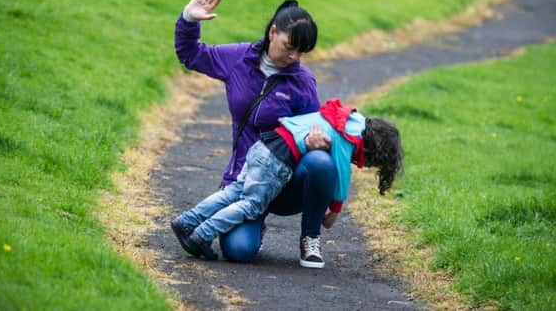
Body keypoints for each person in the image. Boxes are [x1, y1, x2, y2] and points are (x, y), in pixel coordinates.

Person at [171, 0, 334, 265]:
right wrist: (189, 19)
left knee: (320, 162)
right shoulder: (238, 59)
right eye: (289, 47)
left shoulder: (302, 81)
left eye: (302, 52)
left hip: (284, 182)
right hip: (244, 180)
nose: (294, 57)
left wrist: (332, 197)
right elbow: (190, 55)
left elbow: (313, 130)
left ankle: (310, 238)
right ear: (273, 33)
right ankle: (248, 225)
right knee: (238, 251)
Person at [171, 98, 404, 268]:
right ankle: (201, 236)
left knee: (235, 193)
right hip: (278, 159)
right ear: (374, 148)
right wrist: (335, 209)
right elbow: (341, 173)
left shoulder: (346, 118)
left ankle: (186, 221)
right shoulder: (351, 136)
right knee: (251, 205)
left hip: (265, 146)